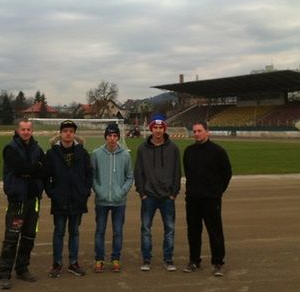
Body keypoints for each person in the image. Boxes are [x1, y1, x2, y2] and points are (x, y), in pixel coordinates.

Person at [0, 119, 47, 290]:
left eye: (28, 129)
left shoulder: (37, 149)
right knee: (11, 239)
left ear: (32, 131)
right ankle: (4, 273)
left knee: (28, 237)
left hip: (33, 200)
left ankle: (22, 268)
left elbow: (45, 169)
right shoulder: (10, 148)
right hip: (17, 200)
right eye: (23, 129)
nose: (26, 132)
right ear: (17, 131)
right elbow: (19, 168)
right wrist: (34, 168)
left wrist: (30, 170)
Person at [182, 121, 232, 276]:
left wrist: (217, 191)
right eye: (194, 131)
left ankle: (218, 262)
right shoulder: (189, 151)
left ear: (207, 132)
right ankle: (194, 260)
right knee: (193, 231)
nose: (196, 133)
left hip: (211, 199)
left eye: (199, 131)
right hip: (192, 199)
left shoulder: (218, 151)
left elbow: (227, 173)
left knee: (214, 230)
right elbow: (188, 172)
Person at [45, 120, 93, 278]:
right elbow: (46, 176)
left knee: (75, 232)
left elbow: (89, 174)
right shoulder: (52, 153)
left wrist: (85, 191)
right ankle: (57, 264)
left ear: (74, 134)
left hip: (77, 199)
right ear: (60, 133)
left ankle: (73, 262)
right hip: (60, 199)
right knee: (59, 232)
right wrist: (52, 192)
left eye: (71, 131)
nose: (68, 134)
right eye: (65, 131)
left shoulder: (83, 153)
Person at [134, 113, 181, 271]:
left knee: (170, 229)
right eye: (156, 127)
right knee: (146, 229)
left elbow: (177, 172)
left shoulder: (173, 148)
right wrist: (142, 192)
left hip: (168, 197)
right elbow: (138, 172)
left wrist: (174, 192)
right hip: (149, 196)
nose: (158, 131)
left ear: (164, 129)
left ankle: (168, 259)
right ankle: (146, 259)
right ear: (151, 129)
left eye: (161, 128)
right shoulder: (142, 148)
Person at [90, 122, 134, 273]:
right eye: (109, 135)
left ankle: (116, 258)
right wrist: (99, 190)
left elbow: (129, 177)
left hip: (119, 201)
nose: (112, 139)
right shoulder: (96, 154)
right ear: (105, 137)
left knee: (118, 232)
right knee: (100, 231)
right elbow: (93, 176)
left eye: (115, 136)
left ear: (118, 138)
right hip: (101, 200)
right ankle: (99, 259)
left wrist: (122, 192)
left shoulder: (126, 155)